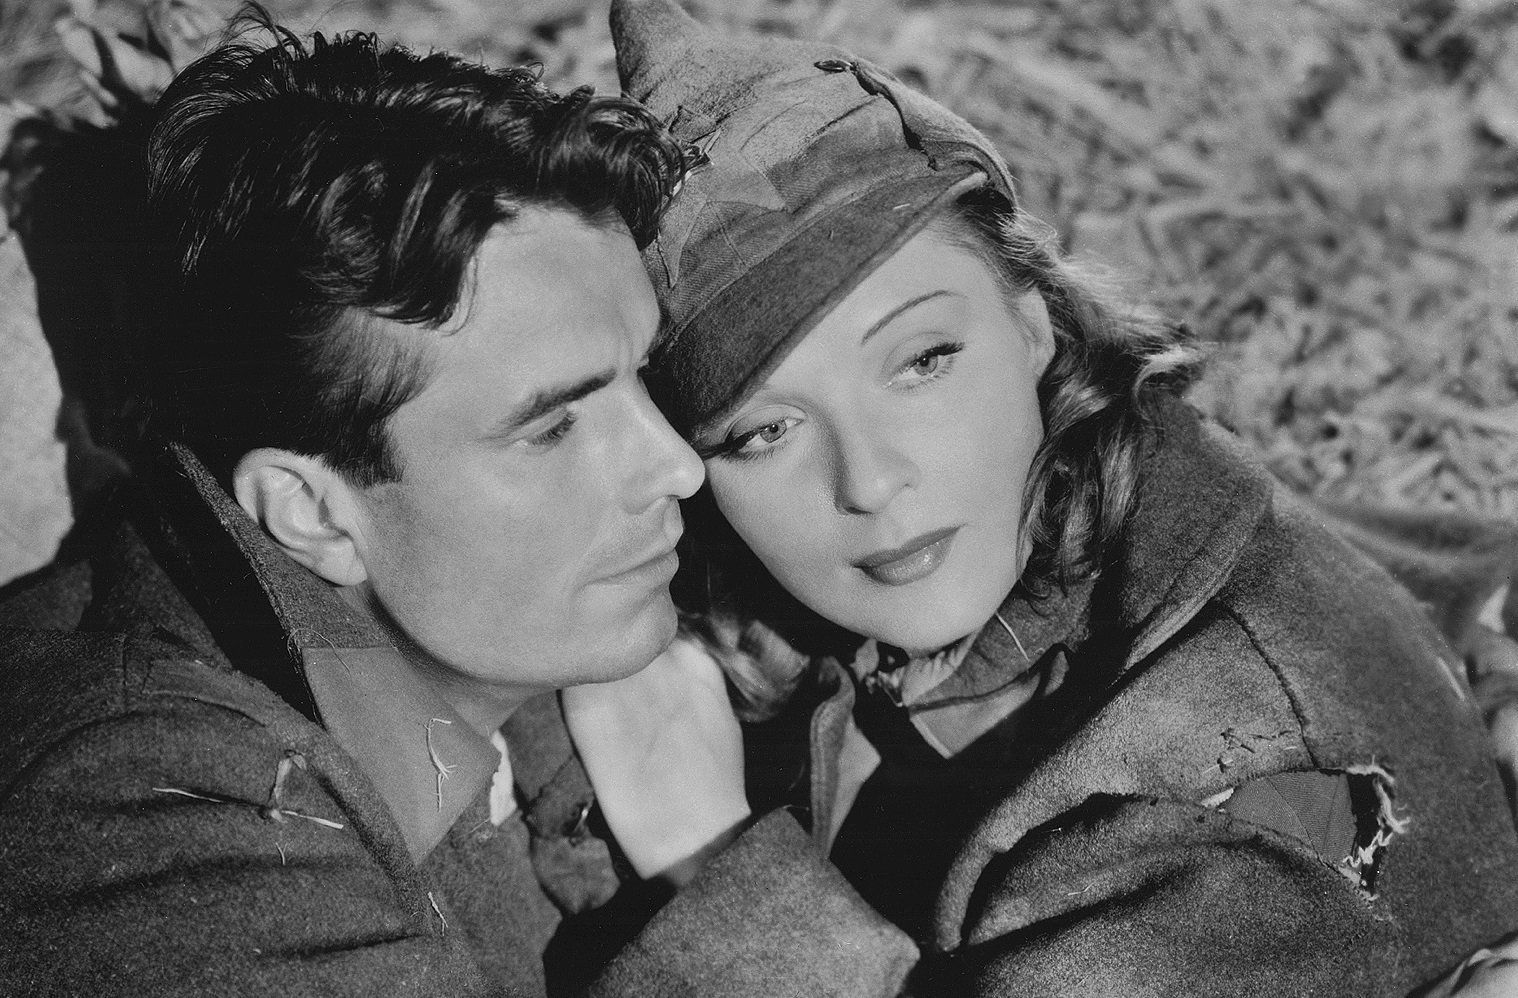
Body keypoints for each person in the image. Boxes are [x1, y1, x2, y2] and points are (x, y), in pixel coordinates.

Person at [0, 19, 921, 997]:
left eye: (639, 377)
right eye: (552, 428)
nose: (677, 467)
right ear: (312, 515)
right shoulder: (143, 824)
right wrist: (715, 863)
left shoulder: (473, 628)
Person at [577, 1, 1518, 994]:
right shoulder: (1085, 516)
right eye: (763, 430)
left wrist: (708, 856)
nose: (870, 480)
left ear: (1036, 326)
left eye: (922, 360)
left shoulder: (1248, 774)